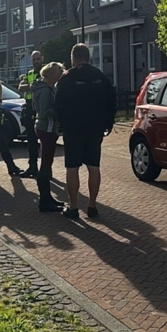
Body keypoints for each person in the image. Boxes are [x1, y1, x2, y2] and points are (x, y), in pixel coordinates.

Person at [53, 43, 116, 219]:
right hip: (95, 128)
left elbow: (58, 104)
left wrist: (61, 123)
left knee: (72, 168)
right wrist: (108, 123)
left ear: (74, 58)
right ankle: (92, 206)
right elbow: (111, 101)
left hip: (73, 128)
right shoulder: (100, 76)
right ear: (88, 57)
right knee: (94, 166)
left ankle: (73, 207)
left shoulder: (67, 77)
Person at [31, 62, 65, 212]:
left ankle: (47, 197)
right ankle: (44, 200)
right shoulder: (45, 90)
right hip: (47, 127)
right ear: (52, 75)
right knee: (45, 164)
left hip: (44, 126)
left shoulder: (41, 88)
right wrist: (59, 111)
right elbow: (45, 111)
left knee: (47, 163)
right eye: (59, 74)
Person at [16, 50, 44, 179]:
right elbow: (21, 87)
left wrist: (29, 86)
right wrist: (34, 85)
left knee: (45, 140)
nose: (36, 61)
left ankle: (46, 170)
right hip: (30, 108)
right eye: (34, 59)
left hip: (42, 108)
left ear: (42, 59)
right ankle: (32, 167)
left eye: (38, 59)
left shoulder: (46, 72)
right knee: (31, 140)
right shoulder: (29, 74)